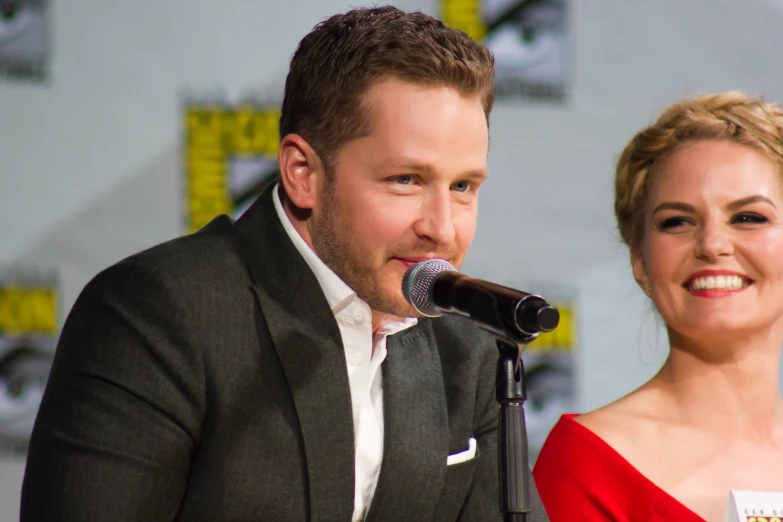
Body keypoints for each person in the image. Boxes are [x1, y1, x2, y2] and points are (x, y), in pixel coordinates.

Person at [20, 6, 551, 521]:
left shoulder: (471, 348)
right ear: (303, 173)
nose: (442, 226)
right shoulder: (157, 315)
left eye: (463, 187)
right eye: (405, 180)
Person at [533, 91, 783, 521]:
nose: (712, 245)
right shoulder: (587, 464)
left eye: (748, 217)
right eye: (677, 222)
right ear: (640, 261)